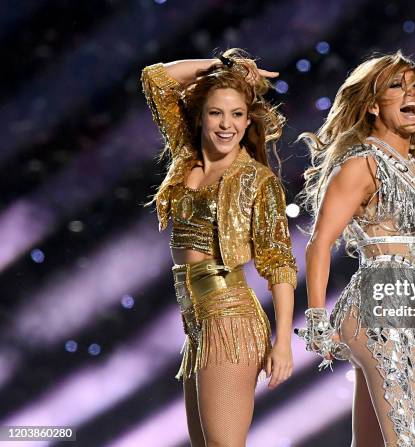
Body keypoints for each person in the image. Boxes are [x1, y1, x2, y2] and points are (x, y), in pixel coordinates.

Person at [296, 50, 415, 446]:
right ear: (372, 106)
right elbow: (319, 243)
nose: (410, 92)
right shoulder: (362, 164)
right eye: (397, 86)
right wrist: (315, 317)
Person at [141, 48, 297, 447]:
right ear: (201, 116)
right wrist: (218, 68)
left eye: (237, 115)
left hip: (230, 319)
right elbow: (155, 79)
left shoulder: (257, 181)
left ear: (249, 120)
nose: (227, 125)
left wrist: (283, 343)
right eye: (216, 113)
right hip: (195, 320)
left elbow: (279, 263)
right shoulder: (188, 157)